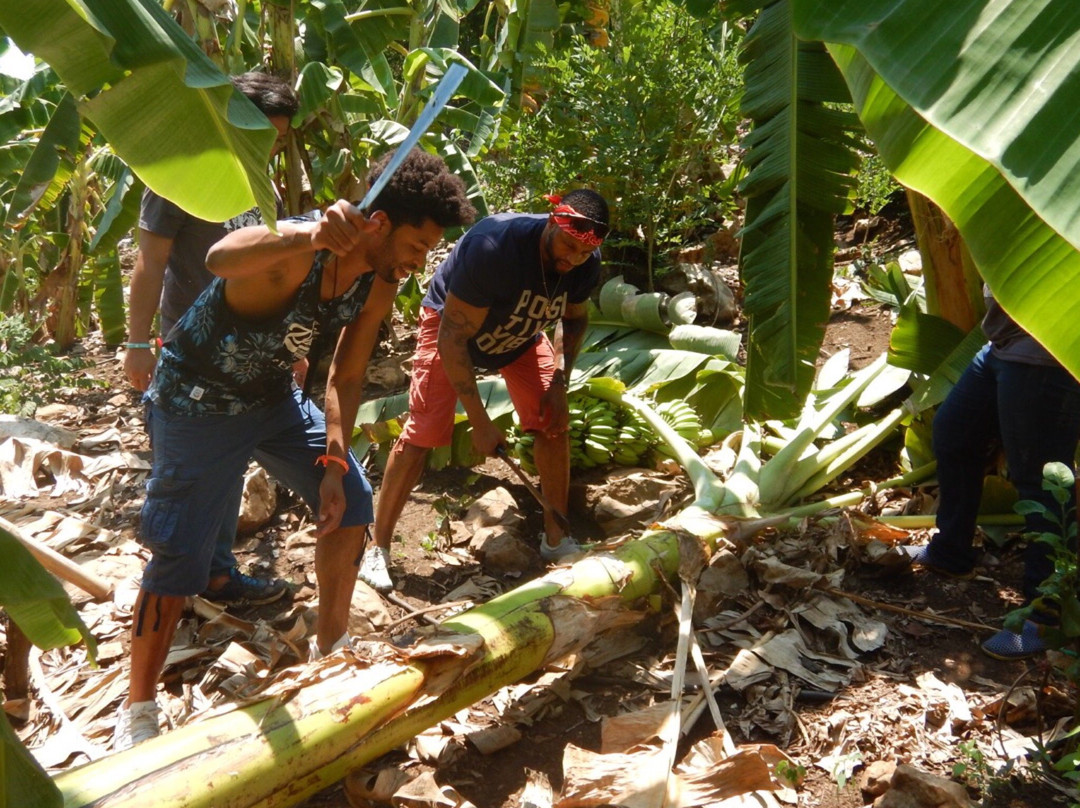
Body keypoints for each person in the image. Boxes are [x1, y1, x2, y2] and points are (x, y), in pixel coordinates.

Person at [113, 148, 475, 750]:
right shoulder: (298, 249)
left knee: (352, 500)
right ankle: (139, 705)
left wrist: (334, 460)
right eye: (418, 244)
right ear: (380, 224)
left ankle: (330, 648)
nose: (422, 260)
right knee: (180, 552)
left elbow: (347, 376)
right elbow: (219, 257)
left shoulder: (380, 279)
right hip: (197, 402)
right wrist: (309, 232)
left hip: (273, 399)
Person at [366, 190, 610, 592]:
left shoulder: (584, 262)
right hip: (454, 330)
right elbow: (452, 339)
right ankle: (379, 548)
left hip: (521, 336)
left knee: (553, 423)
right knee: (423, 433)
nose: (574, 259)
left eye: (585, 253)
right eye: (568, 245)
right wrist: (479, 422)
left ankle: (556, 538)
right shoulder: (494, 247)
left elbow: (576, 319)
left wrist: (559, 382)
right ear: (553, 221)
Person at [123, 71, 298, 607]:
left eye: (280, 138)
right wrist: (136, 344)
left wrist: (292, 347)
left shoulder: (259, 182)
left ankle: (216, 578)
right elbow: (150, 263)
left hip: (248, 356)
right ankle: (187, 583)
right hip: (189, 355)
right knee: (190, 479)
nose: (272, 146)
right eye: (263, 134)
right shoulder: (182, 177)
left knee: (226, 471)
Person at [903, 290, 1080, 659]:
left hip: (1044, 358)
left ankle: (1046, 615)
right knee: (954, 435)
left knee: (1039, 480)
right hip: (1003, 343)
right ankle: (951, 552)